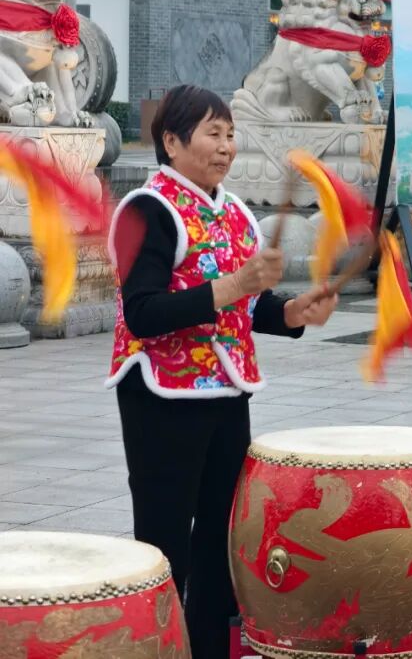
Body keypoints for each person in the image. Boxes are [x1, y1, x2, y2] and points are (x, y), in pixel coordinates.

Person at [106, 85, 338, 659]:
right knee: (164, 540)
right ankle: (158, 646)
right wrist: (234, 285)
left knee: (223, 535)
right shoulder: (147, 210)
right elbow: (142, 312)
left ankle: (210, 647)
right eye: (213, 133)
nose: (226, 146)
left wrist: (292, 311)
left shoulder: (234, 212)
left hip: (227, 393)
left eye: (231, 134)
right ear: (171, 141)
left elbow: (248, 306)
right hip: (161, 395)